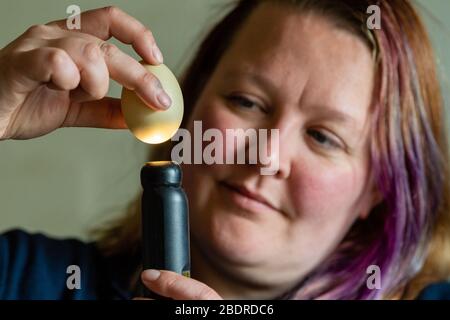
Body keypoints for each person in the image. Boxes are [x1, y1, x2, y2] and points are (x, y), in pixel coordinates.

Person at [0, 0, 449, 300]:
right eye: (246, 102)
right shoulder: (24, 278)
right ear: (189, 104)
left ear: (380, 187)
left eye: (323, 137)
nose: (265, 157)